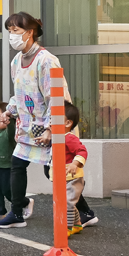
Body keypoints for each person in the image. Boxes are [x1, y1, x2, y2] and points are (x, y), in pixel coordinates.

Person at [0, 12, 70, 230]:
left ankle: (83, 211)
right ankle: (17, 213)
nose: (12, 36)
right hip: (26, 128)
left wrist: (50, 129)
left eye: (16, 31)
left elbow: (57, 98)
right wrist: (9, 112)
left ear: (30, 32)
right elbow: (19, 93)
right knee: (17, 165)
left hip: (48, 128)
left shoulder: (47, 60)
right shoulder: (17, 60)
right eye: (9, 31)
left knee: (53, 172)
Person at [46, 101, 88, 236]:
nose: (51, 122)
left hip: (72, 178)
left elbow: (82, 151)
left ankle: (66, 228)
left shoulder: (69, 138)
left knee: (67, 203)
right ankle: (76, 224)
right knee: (69, 203)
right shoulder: (57, 137)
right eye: (51, 118)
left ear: (67, 123)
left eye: (55, 119)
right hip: (62, 177)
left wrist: (75, 164)